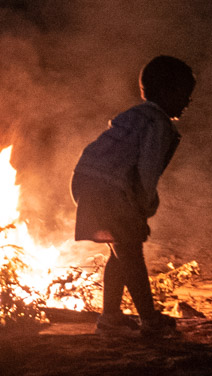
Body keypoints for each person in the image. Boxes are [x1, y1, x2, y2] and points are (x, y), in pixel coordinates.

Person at [71, 55, 196, 339]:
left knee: (120, 251)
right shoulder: (159, 124)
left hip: (85, 178)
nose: (188, 102)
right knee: (131, 251)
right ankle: (149, 320)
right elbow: (147, 168)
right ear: (165, 93)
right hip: (110, 187)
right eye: (184, 94)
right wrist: (144, 203)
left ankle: (111, 317)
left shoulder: (135, 114)